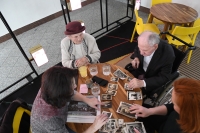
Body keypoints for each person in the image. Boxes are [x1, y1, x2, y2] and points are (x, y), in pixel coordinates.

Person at [31, 66, 108, 133]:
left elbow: (71, 92)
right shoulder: (50, 120)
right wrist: (94, 127)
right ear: (62, 93)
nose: (75, 86)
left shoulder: (50, 85)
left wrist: (87, 100)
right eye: (72, 84)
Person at [129, 78, 200, 133]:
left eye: (174, 103)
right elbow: (170, 107)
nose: (171, 101)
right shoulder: (189, 108)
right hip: (164, 123)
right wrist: (149, 111)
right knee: (139, 107)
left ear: (185, 111)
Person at [127, 31, 175, 97]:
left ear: (155, 46)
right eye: (140, 48)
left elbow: (164, 77)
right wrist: (136, 57)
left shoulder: (168, 54)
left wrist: (143, 83)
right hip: (139, 69)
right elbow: (137, 50)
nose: (141, 53)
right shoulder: (144, 44)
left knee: (130, 96)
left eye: (145, 50)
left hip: (151, 78)